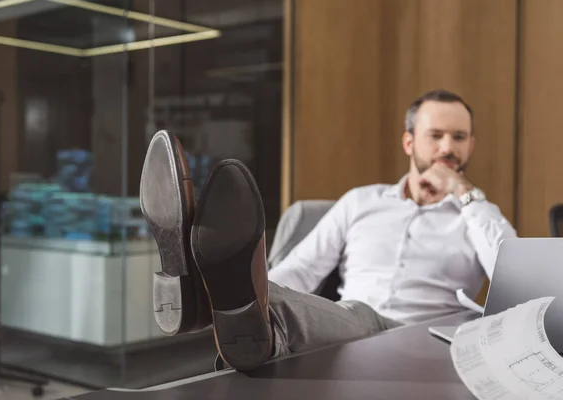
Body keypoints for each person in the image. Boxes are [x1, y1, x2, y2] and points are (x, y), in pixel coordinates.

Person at [139, 89, 517, 373]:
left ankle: (196, 290)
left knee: (353, 314)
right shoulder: (361, 202)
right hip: (347, 327)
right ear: (409, 141)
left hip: (426, 339)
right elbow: (302, 270)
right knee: (335, 314)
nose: (447, 148)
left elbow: (517, 282)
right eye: (435, 135)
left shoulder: (478, 215)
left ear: (471, 146)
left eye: (459, 137)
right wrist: (266, 294)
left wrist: (466, 194)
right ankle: (233, 296)